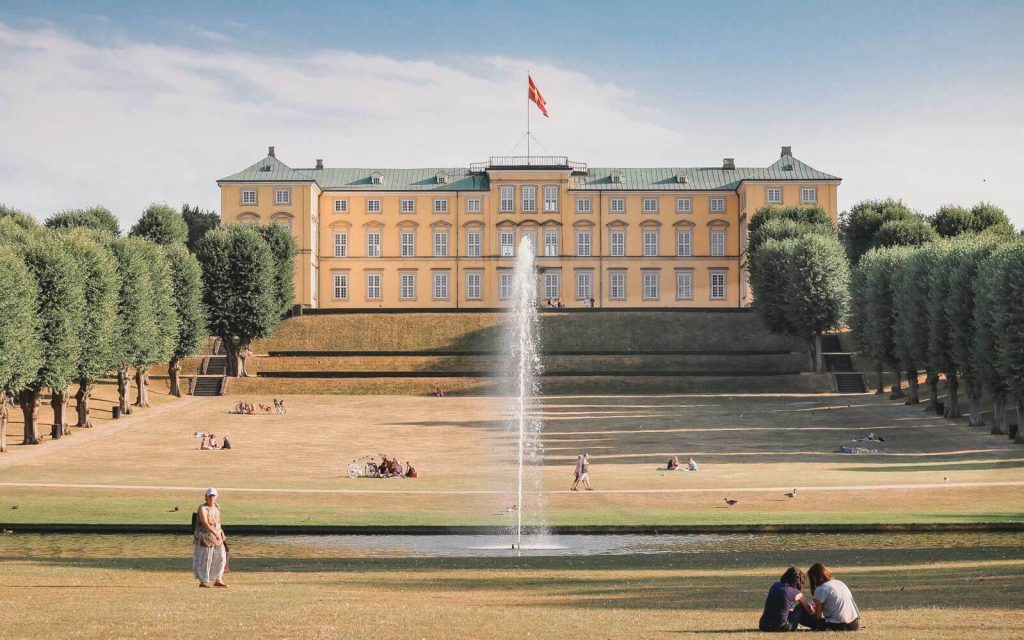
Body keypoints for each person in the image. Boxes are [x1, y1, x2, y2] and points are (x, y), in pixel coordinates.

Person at [804, 563, 861, 631]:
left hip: (838, 625)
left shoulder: (820, 589)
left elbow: (818, 617)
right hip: (854, 624)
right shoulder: (839, 583)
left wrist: (809, 610)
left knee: (804, 617)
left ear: (814, 578)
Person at [759, 566, 815, 632]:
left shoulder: (774, 585)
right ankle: (816, 625)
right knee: (801, 607)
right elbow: (809, 610)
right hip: (781, 627)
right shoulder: (797, 593)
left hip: (763, 625)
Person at [192, 488, 228, 588]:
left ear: (216, 497)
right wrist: (214, 532)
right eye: (210, 496)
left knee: (221, 557)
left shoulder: (217, 507)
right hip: (205, 537)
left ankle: (218, 579)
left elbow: (218, 522)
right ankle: (204, 580)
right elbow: (205, 522)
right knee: (205, 558)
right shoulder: (202, 508)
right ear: (206, 497)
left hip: (217, 536)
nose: (212, 498)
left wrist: (221, 533)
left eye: (213, 496)